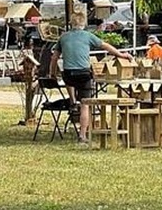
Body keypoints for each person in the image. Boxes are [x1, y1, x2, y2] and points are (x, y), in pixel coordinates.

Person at [51, 14, 133, 144]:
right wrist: (121, 54)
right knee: (85, 104)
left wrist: (52, 73)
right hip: (83, 74)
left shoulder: (63, 37)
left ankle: (72, 100)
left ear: (71, 23)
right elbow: (105, 46)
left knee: (69, 77)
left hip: (68, 75)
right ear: (84, 24)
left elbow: (54, 58)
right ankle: (82, 135)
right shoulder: (88, 36)